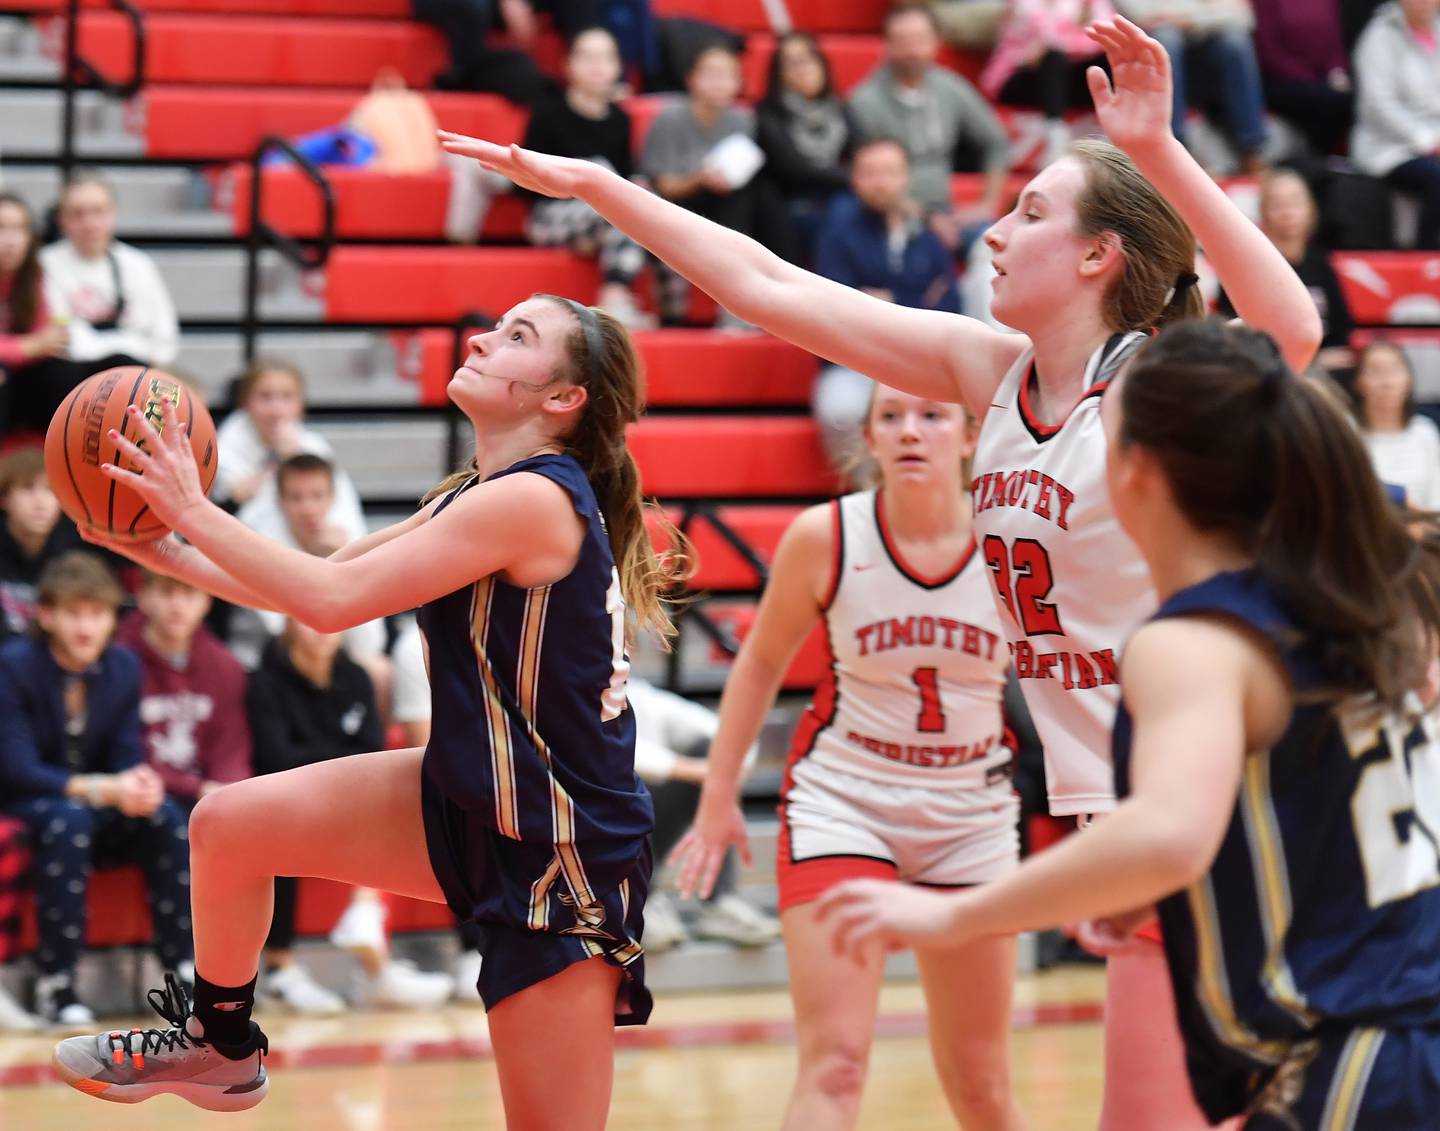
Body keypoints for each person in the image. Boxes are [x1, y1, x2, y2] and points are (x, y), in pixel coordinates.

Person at [439, 15, 1322, 1129]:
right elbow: (767, 286)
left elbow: (1290, 327)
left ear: (1101, 257)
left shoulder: (1148, 388)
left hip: (1224, 809)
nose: (994, 233)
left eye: (1031, 213)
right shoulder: (992, 375)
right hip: (1121, 821)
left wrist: (1153, 148)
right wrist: (603, 184)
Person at [54, 293, 682, 1127]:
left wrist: (192, 510)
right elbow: (319, 571)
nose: (483, 338)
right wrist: (159, 546)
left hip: (559, 848)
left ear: (561, 398)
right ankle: (222, 1041)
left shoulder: (532, 500)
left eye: (518, 337)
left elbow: (330, 600)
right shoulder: (474, 491)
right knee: (229, 825)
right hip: (472, 801)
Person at [819, 318, 1440, 1130]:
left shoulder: (1194, 641)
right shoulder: (1332, 592)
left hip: (1363, 1055)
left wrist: (955, 913)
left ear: (1133, 471)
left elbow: (1168, 831)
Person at [672, 385, 1024, 1131]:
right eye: (890, 417)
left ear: (969, 437)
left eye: (931, 415)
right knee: (835, 1063)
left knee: (982, 1083)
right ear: (866, 436)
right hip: (847, 800)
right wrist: (719, 792)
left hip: (973, 812)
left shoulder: (1011, 543)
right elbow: (761, 662)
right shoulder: (826, 535)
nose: (909, 431)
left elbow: (1074, 678)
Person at [0, 552, 193, 1028]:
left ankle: (183, 973)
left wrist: (138, 781)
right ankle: (57, 983)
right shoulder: (15, 667)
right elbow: (17, 768)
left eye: (97, 614)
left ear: (113, 618)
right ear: (46, 615)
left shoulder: (122, 667)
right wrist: (103, 788)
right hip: (29, 803)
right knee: (69, 821)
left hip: (93, 802)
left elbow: (126, 751)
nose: (86, 627)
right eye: (73, 613)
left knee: (165, 815)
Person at [248, 616, 452, 1013]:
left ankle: (371, 944)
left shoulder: (354, 676)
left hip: (348, 797)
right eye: (306, 621)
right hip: (288, 797)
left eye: (326, 621)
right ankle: (281, 968)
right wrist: (339, 765)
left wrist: (336, 767)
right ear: (287, 623)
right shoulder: (265, 681)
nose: (320, 630)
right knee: (274, 830)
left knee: (411, 806)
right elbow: (275, 759)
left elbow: (371, 751)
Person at [811, 139, 962, 475]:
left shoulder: (925, 233)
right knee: (840, 412)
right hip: (854, 361)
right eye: (870, 173)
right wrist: (916, 300)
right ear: (855, 179)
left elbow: (950, 304)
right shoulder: (837, 231)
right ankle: (870, 498)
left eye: (890, 172)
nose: (880, 182)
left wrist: (888, 300)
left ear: (906, 177)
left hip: (923, 360)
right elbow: (835, 306)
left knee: (956, 413)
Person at [626, 677, 780, 952]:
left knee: (715, 752)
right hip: (586, 836)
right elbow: (613, 753)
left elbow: (731, 738)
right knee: (625, 781)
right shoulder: (564, 694)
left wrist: (720, 773)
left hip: (647, 828)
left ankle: (718, 902)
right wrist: (698, 771)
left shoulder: (640, 695)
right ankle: (635, 903)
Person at [522, 27, 652, 328]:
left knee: (642, 200)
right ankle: (615, 295)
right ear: (568, 64)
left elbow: (627, 180)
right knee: (619, 208)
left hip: (604, 217)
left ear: (618, 67)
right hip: (549, 215)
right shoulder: (547, 113)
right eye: (588, 56)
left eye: (606, 57)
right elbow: (525, 183)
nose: (597, 65)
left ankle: (663, 311)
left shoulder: (621, 120)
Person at [847, 3, 1012, 238]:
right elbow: (869, 177)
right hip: (886, 214)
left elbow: (996, 141)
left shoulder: (950, 87)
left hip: (946, 210)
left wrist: (987, 204)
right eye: (902, 41)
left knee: (992, 243)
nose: (912, 51)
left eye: (919, 40)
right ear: (887, 45)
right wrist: (926, 219)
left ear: (936, 41)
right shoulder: (864, 101)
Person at [639, 42, 773, 328]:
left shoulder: (743, 121)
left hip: (724, 204)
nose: (719, 83)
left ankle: (742, 304)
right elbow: (663, 185)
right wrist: (700, 178)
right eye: (711, 73)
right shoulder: (669, 119)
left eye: (728, 75)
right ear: (691, 78)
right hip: (673, 203)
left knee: (756, 194)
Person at [233, 454, 390, 696]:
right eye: (296, 498)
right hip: (267, 665)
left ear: (333, 499)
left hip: (331, 658)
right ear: (280, 502)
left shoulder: (346, 541)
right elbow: (284, 636)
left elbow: (370, 644)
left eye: (317, 496)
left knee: (378, 671)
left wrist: (345, 562)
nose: (308, 509)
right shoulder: (260, 545)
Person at [113, 570, 253, 808]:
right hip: (140, 794)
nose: (177, 605)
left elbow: (231, 750)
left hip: (207, 794)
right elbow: (120, 752)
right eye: (167, 592)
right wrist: (195, 788)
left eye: (189, 593)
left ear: (207, 600)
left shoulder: (225, 666)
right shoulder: (118, 661)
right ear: (143, 596)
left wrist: (229, 790)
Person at [40, 171, 180, 384]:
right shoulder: (43, 264)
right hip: (67, 378)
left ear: (113, 213)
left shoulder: (139, 265)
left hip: (128, 375)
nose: (89, 223)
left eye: (98, 212)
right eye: (77, 214)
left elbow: (164, 340)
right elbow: (56, 338)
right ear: (61, 219)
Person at [1216, 168, 1354, 373]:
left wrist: (1319, 359)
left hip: (1321, 368)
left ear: (1311, 209)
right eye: (1278, 204)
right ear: (1264, 211)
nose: (1287, 211)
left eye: (1294, 202)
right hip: (1263, 367)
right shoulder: (1244, 265)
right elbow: (1230, 327)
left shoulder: (1320, 263)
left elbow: (1341, 326)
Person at [1116, 0, 1270, 174]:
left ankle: (1252, 150)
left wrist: (1191, 21)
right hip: (1150, 58)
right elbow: (1140, 17)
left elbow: (1242, 16)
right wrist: (1200, 17)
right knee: (1167, 38)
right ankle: (1173, 147)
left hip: (1200, 51)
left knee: (1235, 42)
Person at [213, 358, 366, 529]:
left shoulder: (315, 445)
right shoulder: (225, 445)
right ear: (246, 402)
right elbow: (233, 511)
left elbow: (345, 512)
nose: (276, 409)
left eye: (287, 397)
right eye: (265, 397)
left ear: (301, 404)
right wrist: (281, 460)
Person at [755, 33, 857, 264]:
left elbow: (859, 156)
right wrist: (852, 178)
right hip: (790, 204)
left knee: (849, 208)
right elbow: (793, 169)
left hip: (835, 198)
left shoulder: (841, 109)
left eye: (808, 59)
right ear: (778, 73)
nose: (803, 69)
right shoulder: (767, 113)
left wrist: (856, 178)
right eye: (792, 62)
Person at [982, 0, 1116, 169]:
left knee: (1110, 59)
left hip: (1069, 74)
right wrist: (1071, 43)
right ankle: (1055, 137)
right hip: (1019, 74)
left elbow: (1108, 36)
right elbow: (1042, 37)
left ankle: (1115, 134)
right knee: (1053, 58)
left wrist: (1068, 45)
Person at [1350, 0, 1440, 250]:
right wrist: (1428, 141)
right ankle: (1427, 259)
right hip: (1388, 148)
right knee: (1436, 179)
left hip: (1433, 140)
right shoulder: (1378, 37)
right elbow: (1378, 106)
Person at [0, 447, 87, 642]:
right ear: (4, 498)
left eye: (50, 490)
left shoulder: (75, 552)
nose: (40, 502)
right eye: (27, 488)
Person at [0, 192, 69, 436]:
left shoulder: (36, 275)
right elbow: (37, 343)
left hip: (22, 375)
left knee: (61, 373)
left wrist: (34, 346)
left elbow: (49, 340)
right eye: (2, 227)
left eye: (20, 229)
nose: (11, 240)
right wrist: (28, 347)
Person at [1250, 0, 1354, 157]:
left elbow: (1335, 44)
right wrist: (1309, 80)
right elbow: (1268, 51)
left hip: (1322, 82)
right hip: (1281, 80)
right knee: (1331, 100)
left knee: (1346, 96)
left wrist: (1337, 72)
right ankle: (1313, 160)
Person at [1351, 339, 1440, 509]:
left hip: (1422, 530)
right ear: (1358, 382)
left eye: (1395, 370)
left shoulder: (1425, 431)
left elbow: (1437, 500)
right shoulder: (1347, 431)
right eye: (1376, 372)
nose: (1387, 382)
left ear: (1409, 379)